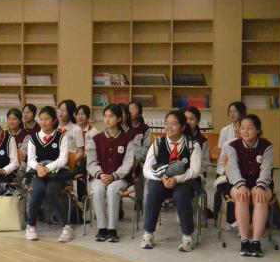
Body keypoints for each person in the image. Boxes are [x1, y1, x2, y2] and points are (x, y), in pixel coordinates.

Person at [141, 110, 202, 252]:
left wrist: (176, 179)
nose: (169, 127)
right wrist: (160, 176)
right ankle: (148, 234)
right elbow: (146, 169)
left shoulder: (193, 145)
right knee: (153, 192)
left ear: (183, 126)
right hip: (162, 180)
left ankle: (187, 237)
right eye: (166, 123)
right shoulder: (158, 143)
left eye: (174, 123)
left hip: (185, 181)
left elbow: (194, 171)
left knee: (181, 195)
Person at [223, 115, 273, 257]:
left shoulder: (267, 146)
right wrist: (240, 185)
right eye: (242, 128)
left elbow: (266, 169)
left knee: (260, 198)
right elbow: (232, 168)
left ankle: (256, 242)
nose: (245, 131)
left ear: (258, 130)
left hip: (260, 182)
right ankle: (244, 241)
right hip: (237, 182)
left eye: (250, 128)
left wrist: (261, 186)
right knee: (241, 197)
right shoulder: (232, 146)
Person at [24, 106, 74, 243]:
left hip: (56, 174)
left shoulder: (61, 138)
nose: (43, 122)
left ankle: (66, 227)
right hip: (38, 173)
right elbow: (31, 160)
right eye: (41, 119)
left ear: (54, 121)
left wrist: (47, 168)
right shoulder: (33, 138)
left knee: (51, 191)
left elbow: (63, 159)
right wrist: (39, 168)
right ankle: (30, 226)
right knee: (37, 190)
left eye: (47, 119)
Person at [86, 104, 134, 242]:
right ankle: (102, 228)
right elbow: (91, 162)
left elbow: (128, 163)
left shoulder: (127, 139)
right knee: (98, 190)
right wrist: (100, 174)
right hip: (100, 177)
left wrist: (114, 176)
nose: (107, 119)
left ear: (119, 119)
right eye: (105, 116)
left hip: (120, 178)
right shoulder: (96, 139)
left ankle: (112, 229)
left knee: (112, 190)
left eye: (111, 116)